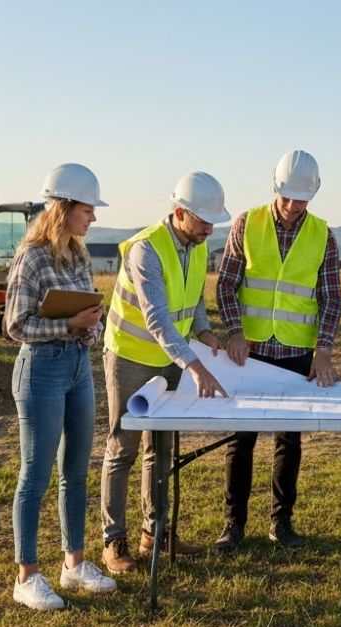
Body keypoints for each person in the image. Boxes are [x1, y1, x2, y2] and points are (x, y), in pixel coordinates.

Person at [100, 172, 230, 574]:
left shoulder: (196, 245)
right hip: (131, 356)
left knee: (161, 448)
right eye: (204, 220)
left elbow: (192, 300)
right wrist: (194, 366)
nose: (211, 228)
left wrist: (206, 334)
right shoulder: (146, 251)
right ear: (179, 213)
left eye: (213, 221)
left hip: (169, 359)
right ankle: (113, 540)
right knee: (123, 447)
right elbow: (157, 318)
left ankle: (155, 532)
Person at [214, 149, 341, 552]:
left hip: (297, 352)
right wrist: (235, 331)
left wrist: (323, 350)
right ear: (275, 188)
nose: (293, 206)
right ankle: (233, 525)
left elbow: (331, 298)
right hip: (248, 351)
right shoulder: (246, 223)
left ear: (313, 195)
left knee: (289, 440)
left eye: (301, 199)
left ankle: (281, 522)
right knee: (242, 439)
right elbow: (225, 285)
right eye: (287, 197)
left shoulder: (324, 234)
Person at [5, 163, 116, 610]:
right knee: (35, 475)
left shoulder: (78, 256)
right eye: (87, 211)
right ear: (64, 208)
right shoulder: (31, 257)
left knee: (76, 471)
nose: (92, 219)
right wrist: (69, 322)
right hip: (41, 371)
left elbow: (85, 316)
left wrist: (90, 323)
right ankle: (26, 576)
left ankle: (74, 565)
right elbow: (15, 325)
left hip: (77, 367)